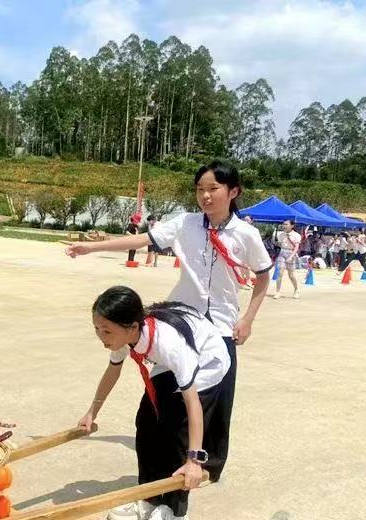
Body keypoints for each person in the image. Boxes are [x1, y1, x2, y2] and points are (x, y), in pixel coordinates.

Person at [66, 160, 273, 484]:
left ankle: (207, 465)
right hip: (181, 320)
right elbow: (140, 242)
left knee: (219, 398)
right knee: (170, 399)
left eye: (213, 189)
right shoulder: (186, 224)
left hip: (220, 324)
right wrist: (92, 247)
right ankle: (177, 464)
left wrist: (248, 319)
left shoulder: (246, 234)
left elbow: (263, 276)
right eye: (200, 189)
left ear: (233, 192)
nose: (205, 196)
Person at [79, 286, 230, 520]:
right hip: (170, 362)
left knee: (177, 432)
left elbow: (193, 406)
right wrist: (92, 412)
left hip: (207, 360)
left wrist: (193, 461)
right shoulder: (124, 337)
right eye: (97, 328)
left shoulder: (169, 343)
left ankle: (174, 512)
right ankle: (149, 500)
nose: (101, 336)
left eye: (106, 331)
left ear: (132, 327)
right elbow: (113, 371)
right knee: (147, 423)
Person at [273, 219, 301, 299]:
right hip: (282, 253)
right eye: (283, 224)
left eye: (286, 224)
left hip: (291, 253)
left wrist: (291, 256)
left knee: (291, 275)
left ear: (292, 226)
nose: (284, 226)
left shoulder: (296, 235)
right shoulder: (281, 235)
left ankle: (296, 290)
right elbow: (280, 245)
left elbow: (296, 247)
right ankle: (278, 292)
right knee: (280, 273)